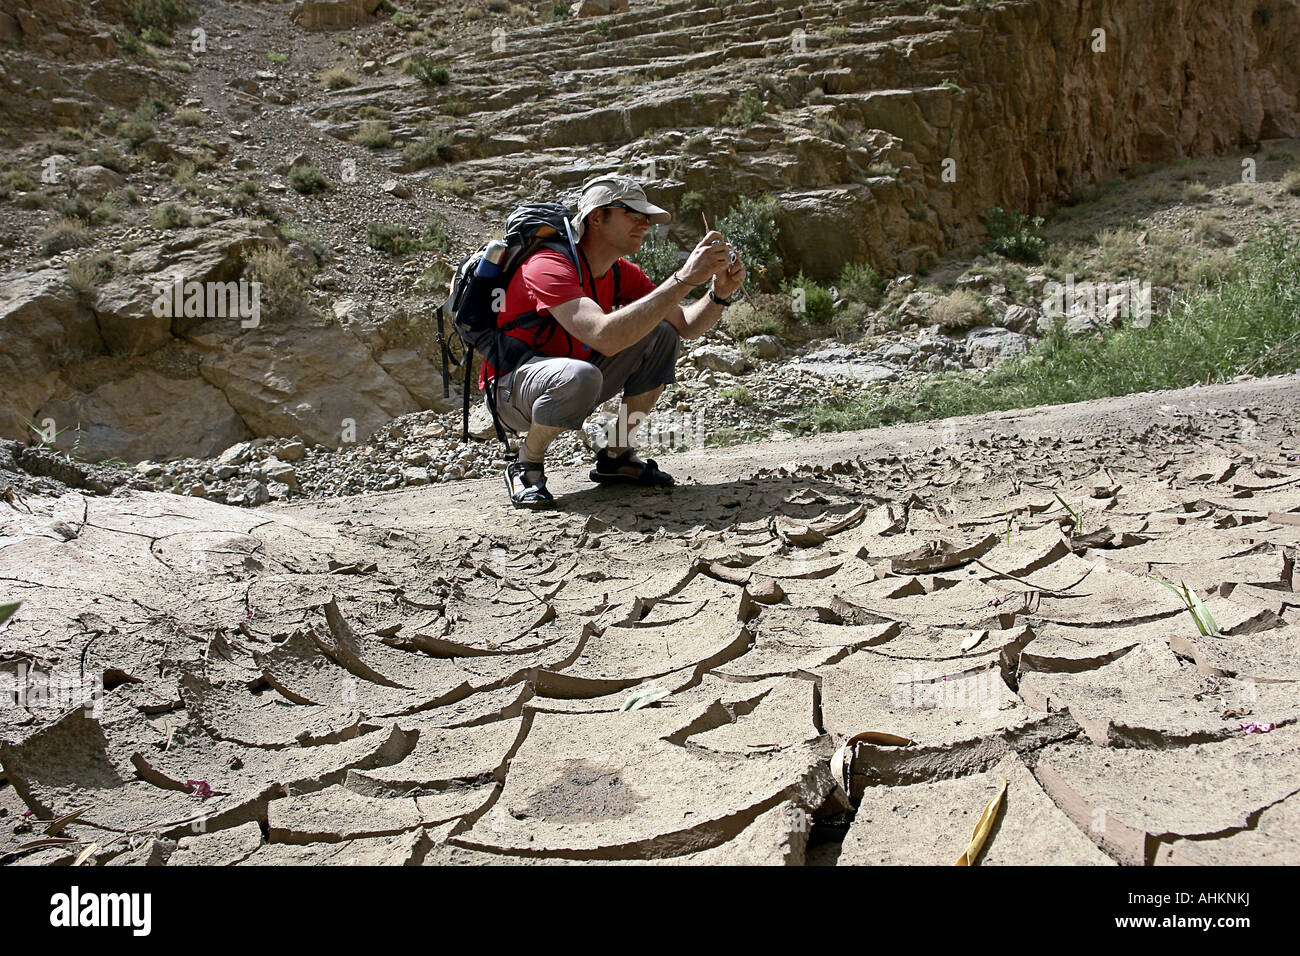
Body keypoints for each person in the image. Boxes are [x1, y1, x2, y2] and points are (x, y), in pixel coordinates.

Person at [485, 175, 747, 507]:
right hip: (512, 391)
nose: (645, 225)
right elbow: (604, 338)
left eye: (647, 218)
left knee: (662, 334)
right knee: (581, 376)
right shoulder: (547, 266)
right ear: (597, 217)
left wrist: (718, 294)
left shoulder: (621, 271)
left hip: (570, 378)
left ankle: (617, 456)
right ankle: (527, 464)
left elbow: (686, 325)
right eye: (634, 215)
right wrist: (682, 279)